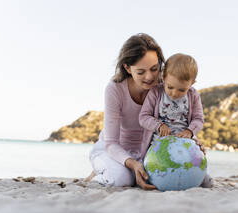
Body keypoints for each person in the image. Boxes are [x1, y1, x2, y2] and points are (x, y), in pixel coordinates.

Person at [85, 33, 164, 190]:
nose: (149, 77)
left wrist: (191, 139)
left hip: (145, 152)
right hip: (113, 150)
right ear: (127, 68)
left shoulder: (164, 86)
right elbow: (111, 143)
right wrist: (133, 164)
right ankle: (99, 172)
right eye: (141, 72)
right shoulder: (115, 89)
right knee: (121, 179)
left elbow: (178, 117)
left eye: (154, 69)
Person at [138, 53, 213, 188]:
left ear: (192, 83)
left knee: (207, 183)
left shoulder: (193, 95)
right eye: (170, 87)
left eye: (182, 90)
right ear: (163, 77)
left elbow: (199, 119)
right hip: (158, 144)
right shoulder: (156, 92)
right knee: (148, 178)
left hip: (185, 145)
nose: (174, 93)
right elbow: (143, 117)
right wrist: (159, 125)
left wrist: (190, 131)